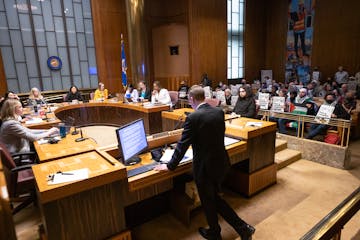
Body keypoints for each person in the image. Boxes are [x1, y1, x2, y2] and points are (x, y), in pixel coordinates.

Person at [154, 85, 255, 240]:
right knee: (212, 199)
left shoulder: (193, 118)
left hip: (205, 168)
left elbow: (182, 146)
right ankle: (224, 230)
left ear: (192, 99)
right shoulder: (218, 112)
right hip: (220, 163)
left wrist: (169, 166)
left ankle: (236, 229)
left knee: (211, 200)